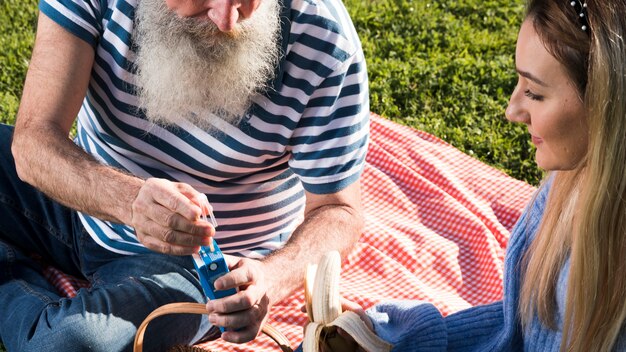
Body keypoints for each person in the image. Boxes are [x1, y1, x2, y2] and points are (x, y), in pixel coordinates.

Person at [0, 0, 369, 350]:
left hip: (204, 262)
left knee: (68, 344)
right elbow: (34, 141)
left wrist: (272, 276)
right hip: (79, 196)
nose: (227, 20)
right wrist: (128, 201)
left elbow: (339, 211)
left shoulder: (325, 41)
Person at [322, 0, 626, 351]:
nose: (513, 110)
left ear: (606, 104)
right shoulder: (567, 186)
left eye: (535, 93)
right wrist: (396, 339)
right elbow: (520, 326)